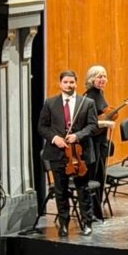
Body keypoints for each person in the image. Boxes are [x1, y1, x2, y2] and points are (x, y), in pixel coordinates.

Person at [39, 69, 99, 237]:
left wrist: (78, 135)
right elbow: (42, 127)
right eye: (65, 82)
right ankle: (63, 224)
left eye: (71, 82)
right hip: (58, 153)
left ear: (76, 83)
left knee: (83, 189)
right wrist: (55, 138)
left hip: (80, 154)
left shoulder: (87, 103)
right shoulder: (50, 103)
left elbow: (93, 126)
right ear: (60, 84)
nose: (69, 85)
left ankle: (87, 223)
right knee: (61, 190)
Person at [82, 64, 117, 223]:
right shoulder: (89, 97)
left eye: (104, 76)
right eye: (99, 76)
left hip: (101, 142)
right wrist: (106, 124)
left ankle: (97, 211)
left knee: (100, 177)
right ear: (91, 79)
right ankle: (91, 212)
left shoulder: (99, 94)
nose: (102, 79)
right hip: (92, 143)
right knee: (94, 178)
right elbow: (90, 123)